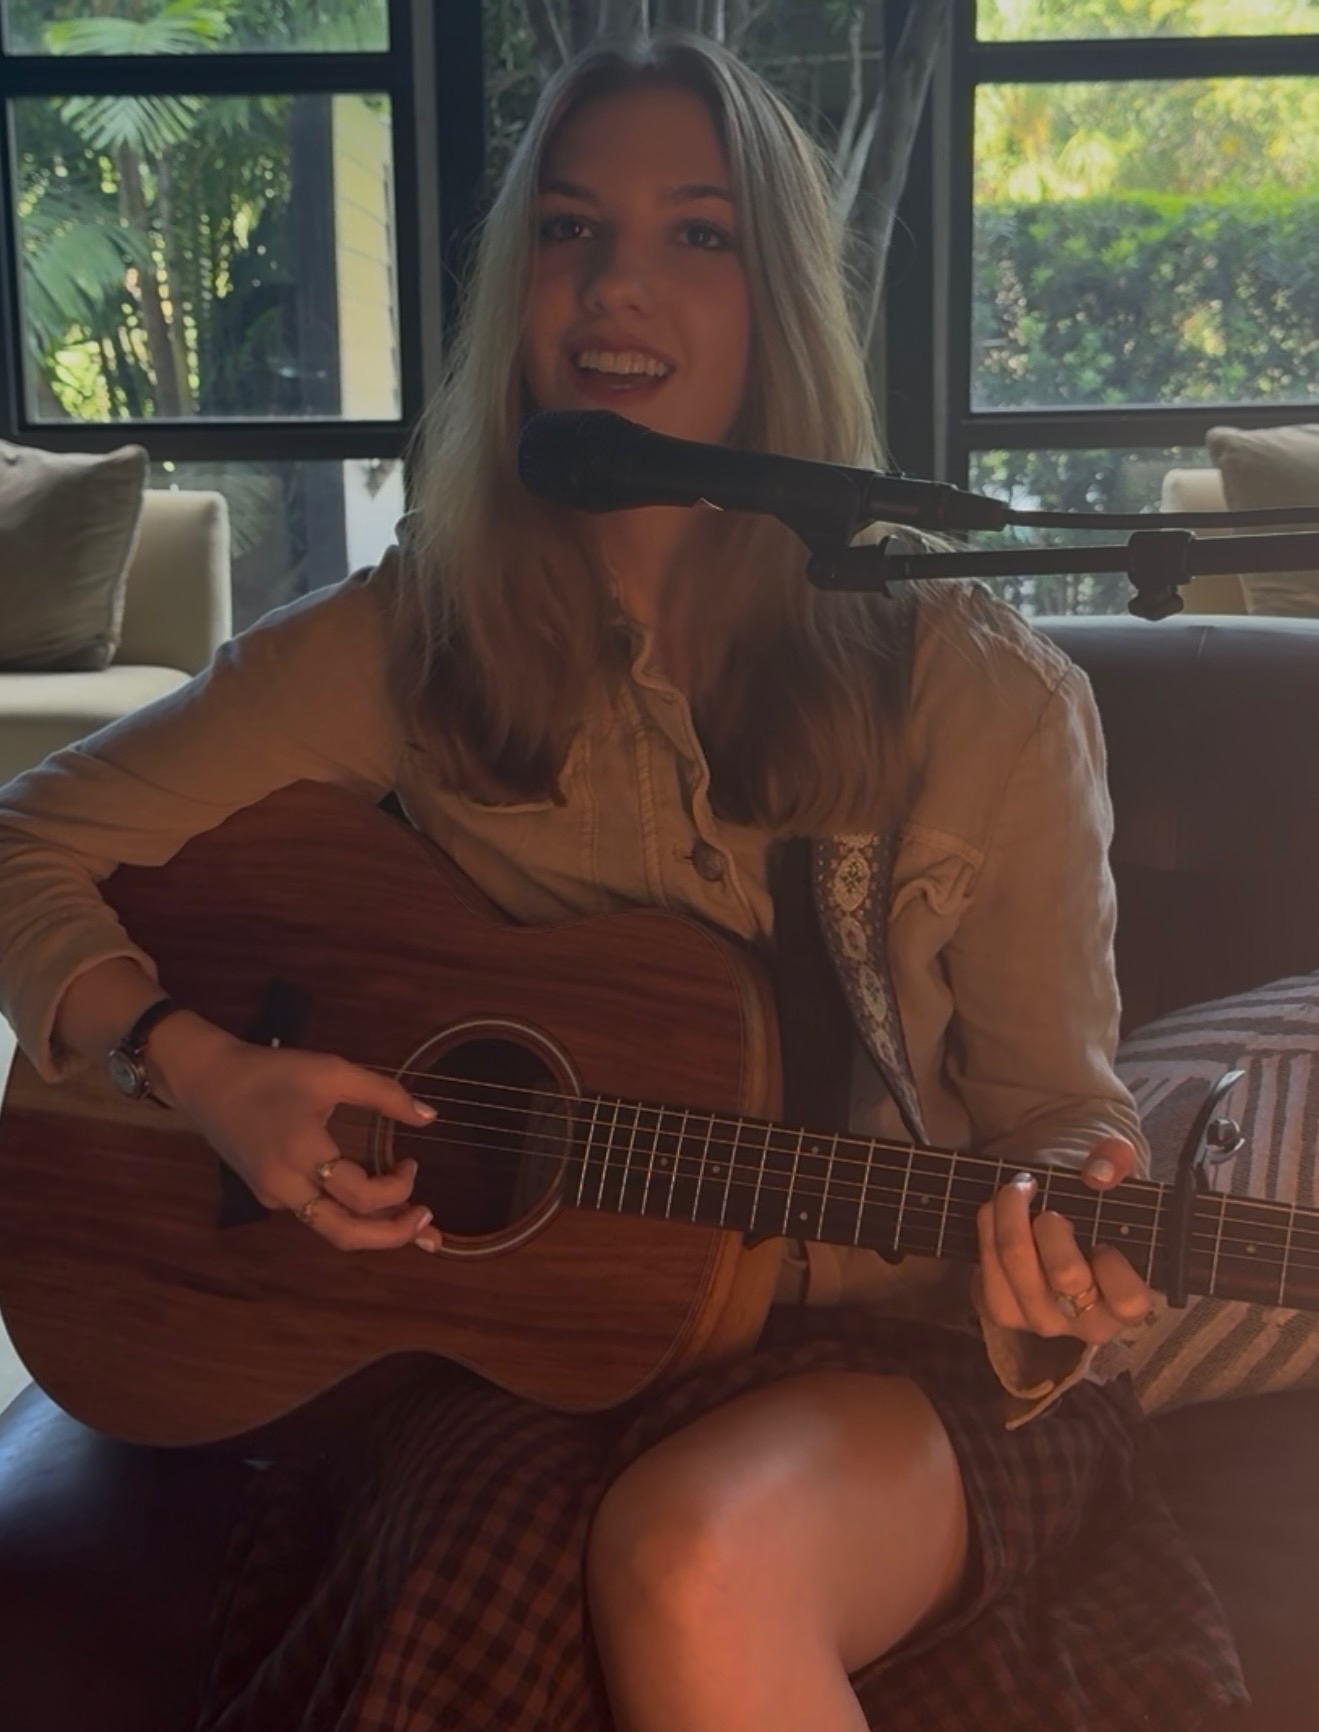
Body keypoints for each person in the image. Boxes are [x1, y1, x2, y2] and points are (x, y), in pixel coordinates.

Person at [0, 32, 1246, 1732]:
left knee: (685, 1557)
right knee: (482, 1556)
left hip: (898, 1366)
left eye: (697, 234)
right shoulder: (405, 642)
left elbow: (1048, 1120)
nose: (616, 287)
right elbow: (26, 840)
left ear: (781, 301)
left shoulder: (979, 695)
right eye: (573, 231)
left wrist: (1066, 1240)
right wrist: (200, 1069)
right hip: (549, 1355)